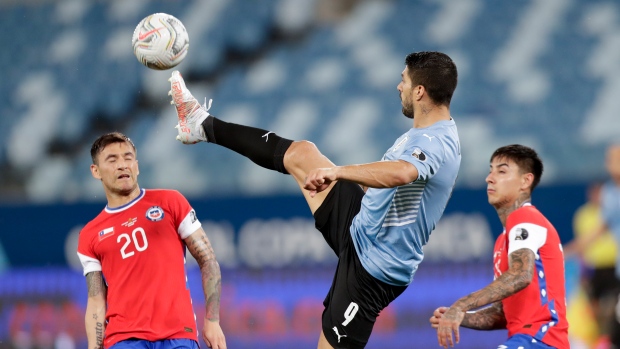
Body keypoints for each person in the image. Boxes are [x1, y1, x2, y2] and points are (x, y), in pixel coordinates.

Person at [168, 51, 461, 349]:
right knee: (303, 154)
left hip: (373, 270)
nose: (399, 87)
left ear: (420, 91)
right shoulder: (426, 133)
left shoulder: (434, 141)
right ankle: (201, 124)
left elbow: (402, 173)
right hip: (363, 226)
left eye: (404, 81)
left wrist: (338, 172)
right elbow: (398, 182)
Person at [76, 132, 227, 349]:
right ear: (95, 171)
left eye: (128, 158)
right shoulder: (90, 234)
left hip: (178, 334)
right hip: (123, 340)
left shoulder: (170, 202)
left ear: (136, 166)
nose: (122, 165)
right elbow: (96, 300)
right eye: (112, 160)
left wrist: (212, 321)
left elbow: (208, 260)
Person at [429, 145, 569, 349]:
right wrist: (461, 317)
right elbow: (502, 313)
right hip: (526, 340)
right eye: (490, 170)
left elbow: (520, 275)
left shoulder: (525, 217)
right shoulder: (502, 240)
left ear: (525, 181)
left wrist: (461, 305)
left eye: (501, 171)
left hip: (542, 339)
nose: (490, 178)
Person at [566, 181, 617, 345]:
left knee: (613, 308)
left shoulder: (613, 211)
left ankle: (608, 339)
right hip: (594, 268)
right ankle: (603, 340)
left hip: (614, 267)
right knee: (593, 311)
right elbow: (583, 243)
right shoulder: (583, 215)